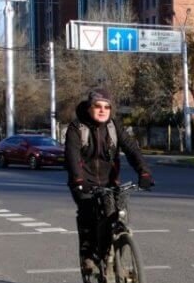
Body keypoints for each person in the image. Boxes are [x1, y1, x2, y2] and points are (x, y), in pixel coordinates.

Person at [64, 89, 154, 272]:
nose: (102, 110)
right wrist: (78, 179)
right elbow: (71, 155)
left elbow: (131, 149)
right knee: (88, 214)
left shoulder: (114, 127)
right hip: (84, 182)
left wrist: (144, 172)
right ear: (90, 108)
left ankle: (112, 255)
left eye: (107, 107)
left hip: (109, 182)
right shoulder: (77, 127)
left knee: (116, 214)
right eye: (97, 106)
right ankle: (88, 256)